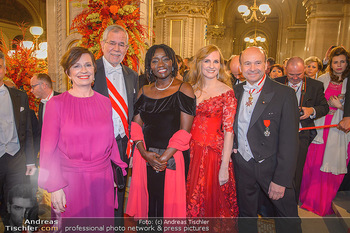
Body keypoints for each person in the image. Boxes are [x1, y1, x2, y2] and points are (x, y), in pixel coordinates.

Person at [38, 47, 127, 218]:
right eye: (76, 66)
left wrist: (117, 171)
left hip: (103, 180)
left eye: (88, 65)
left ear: (94, 70)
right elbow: (48, 150)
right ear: (68, 73)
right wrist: (55, 186)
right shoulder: (56, 104)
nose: (84, 70)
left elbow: (111, 141)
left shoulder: (105, 103)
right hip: (70, 183)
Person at [232, 47, 301, 233]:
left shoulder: (284, 94)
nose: (252, 68)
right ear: (240, 66)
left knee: (287, 218)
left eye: (257, 62)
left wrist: (282, 180)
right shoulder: (235, 91)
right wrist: (234, 147)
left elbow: (290, 142)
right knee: (246, 216)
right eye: (247, 63)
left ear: (266, 65)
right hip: (243, 165)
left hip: (272, 167)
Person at [126, 44, 196, 218]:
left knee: (167, 208)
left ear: (173, 63)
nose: (161, 64)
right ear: (149, 66)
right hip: (146, 156)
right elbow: (135, 126)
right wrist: (144, 153)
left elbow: (184, 132)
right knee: (149, 204)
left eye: (165, 59)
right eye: (155, 60)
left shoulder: (184, 89)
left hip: (173, 157)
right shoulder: (144, 91)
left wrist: (163, 158)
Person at [186, 44, 238, 220]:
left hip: (214, 156)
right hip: (190, 153)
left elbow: (229, 131)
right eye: (207, 60)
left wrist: (224, 166)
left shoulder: (226, 92)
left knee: (211, 205)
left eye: (216, 61)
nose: (211, 65)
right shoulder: (189, 89)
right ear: (199, 63)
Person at [93, 25, 138, 220]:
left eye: (121, 44)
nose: (117, 49)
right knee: (97, 192)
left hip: (122, 144)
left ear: (127, 49)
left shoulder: (133, 75)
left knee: (120, 191)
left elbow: (136, 113)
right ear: (102, 45)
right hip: (96, 145)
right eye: (112, 43)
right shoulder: (90, 70)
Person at [300, 46, 350, 216]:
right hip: (320, 128)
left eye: (342, 61)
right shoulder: (322, 79)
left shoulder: (349, 81)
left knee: (331, 166)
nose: (339, 65)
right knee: (312, 164)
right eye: (336, 62)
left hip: (339, 130)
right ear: (331, 63)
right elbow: (315, 103)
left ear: (347, 63)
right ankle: (308, 199)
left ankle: (321, 202)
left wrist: (340, 107)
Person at [275, 57, 328, 200]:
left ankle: (292, 202)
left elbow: (324, 107)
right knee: (277, 169)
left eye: (299, 74)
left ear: (304, 69)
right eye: (291, 75)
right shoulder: (277, 83)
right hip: (277, 135)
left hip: (301, 134)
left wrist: (311, 110)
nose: (295, 78)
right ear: (286, 70)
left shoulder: (315, 86)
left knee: (296, 171)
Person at [0, 52, 36, 219]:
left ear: (5, 69)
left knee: (16, 205)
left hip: (16, 159)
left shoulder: (19, 96)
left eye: (0, 66)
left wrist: (30, 161)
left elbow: (28, 130)